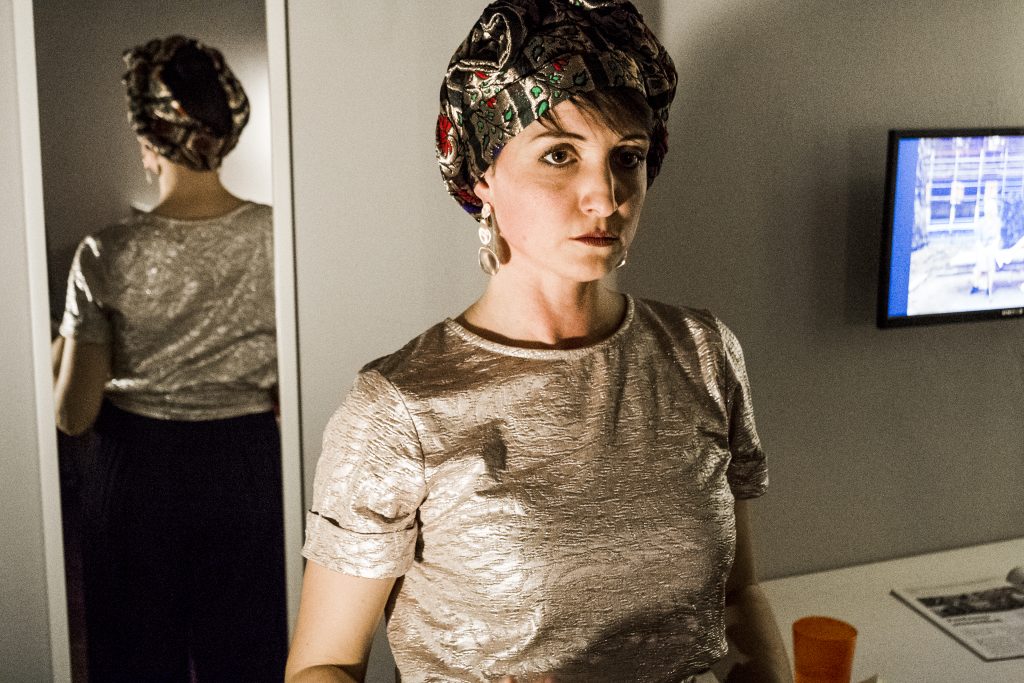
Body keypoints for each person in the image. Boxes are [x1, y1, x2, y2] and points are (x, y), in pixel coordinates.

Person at [286, 2, 791, 681]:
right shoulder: (398, 409)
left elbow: (737, 595)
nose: (605, 196)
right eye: (559, 154)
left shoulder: (702, 353)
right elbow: (322, 665)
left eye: (627, 158)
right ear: (483, 175)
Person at [52, 35, 287, 682]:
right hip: (246, 467)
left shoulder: (106, 253)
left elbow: (73, 415)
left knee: (136, 663)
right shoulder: (281, 236)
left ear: (147, 137)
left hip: (137, 474)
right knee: (247, 660)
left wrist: (62, 345)